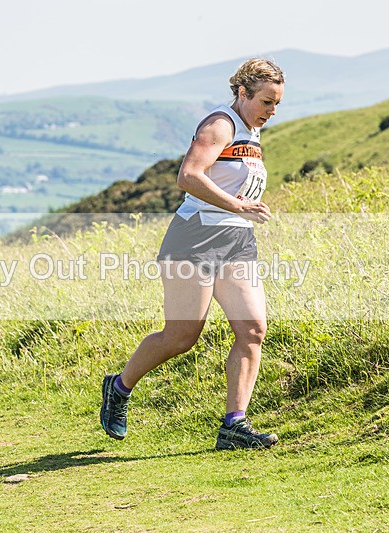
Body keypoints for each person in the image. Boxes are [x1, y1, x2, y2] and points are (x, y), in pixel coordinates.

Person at [100, 58, 284, 450]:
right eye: (266, 102)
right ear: (242, 93)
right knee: (181, 336)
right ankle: (119, 387)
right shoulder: (220, 124)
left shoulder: (252, 132)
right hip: (195, 237)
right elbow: (189, 176)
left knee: (253, 330)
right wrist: (237, 205)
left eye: (277, 104)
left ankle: (234, 425)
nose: (271, 111)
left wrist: (241, 212)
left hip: (238, 241)